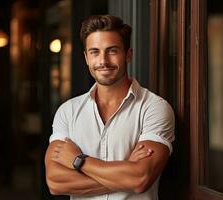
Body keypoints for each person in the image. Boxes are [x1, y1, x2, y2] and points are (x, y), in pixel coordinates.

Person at [45, 14, 175, 199]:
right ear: (86, 57)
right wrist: (125, 174)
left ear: (128, 55)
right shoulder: (68, 112)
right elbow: (55, 182)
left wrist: (79, 161)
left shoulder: (154, 108)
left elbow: (140, 178)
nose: (103, 61)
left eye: (112, 51)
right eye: (94, 52)